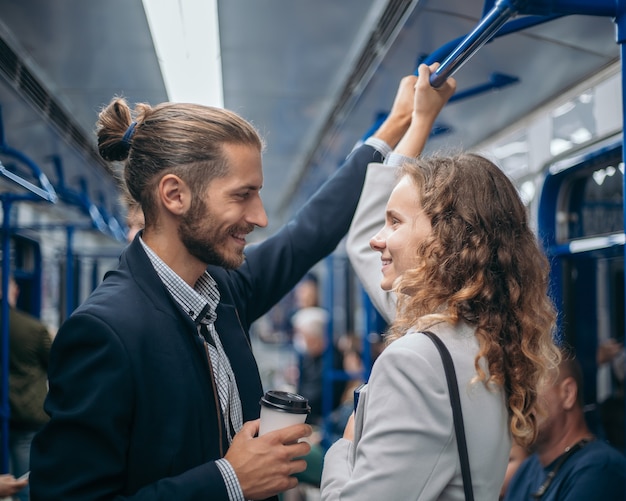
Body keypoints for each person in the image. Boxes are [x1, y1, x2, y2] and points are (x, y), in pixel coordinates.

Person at [29, 74, 419, 500]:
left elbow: (309, 233)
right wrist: (228, 482)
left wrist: (398, 123)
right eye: (242, 195)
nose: (261, 216)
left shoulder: (225, 292)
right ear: (175, 195)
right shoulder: (106, 333)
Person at [321, 63, 561, 500]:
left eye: (393, 222)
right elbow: (363, 242)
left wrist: (345, 446)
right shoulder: (481, 339)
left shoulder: (417, 361)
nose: (378, 239)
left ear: (444, 240)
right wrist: (420, 121)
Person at [503, 348, 626, 500]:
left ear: (568, 393)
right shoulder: (526, 471)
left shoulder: (601, 469)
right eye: (516, 392)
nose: (519, 403)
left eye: (530, 387)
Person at [0, 274, 52, 501]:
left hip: (5, 413)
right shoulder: (33, 329)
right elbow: (56, 364)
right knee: (24, 483)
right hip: (27, 414)